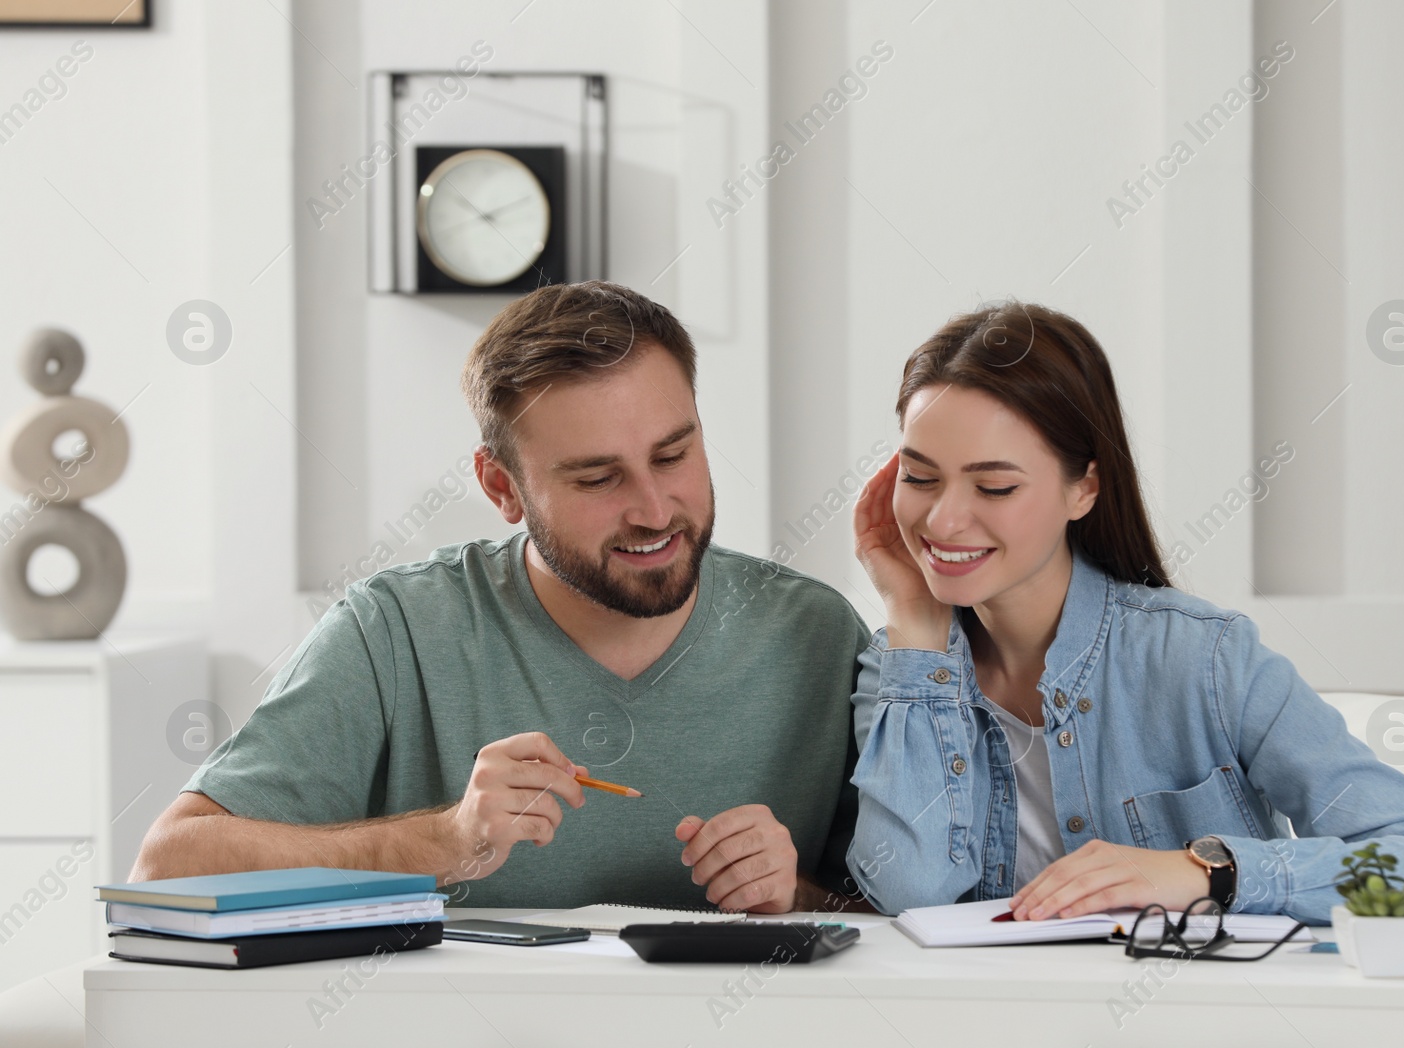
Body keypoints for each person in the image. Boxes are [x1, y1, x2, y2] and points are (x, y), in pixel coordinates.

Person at [132, 281, 868, 913]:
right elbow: (169, 868)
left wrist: (799, 895)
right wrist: (445, 841)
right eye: (597, 478)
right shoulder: (397, 632)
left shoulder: (819, 635)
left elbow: (927, 922)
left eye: (673, 454)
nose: (653, 507)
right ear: (501, 487)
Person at [845, 302, 1404, 925]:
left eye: (994, 486)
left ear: (1084, 488)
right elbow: (910, 889)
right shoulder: (901, 670)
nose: (943, 518)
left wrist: (1205, 872)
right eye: (920, 477)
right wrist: (915, 626)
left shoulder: (1206, 660)